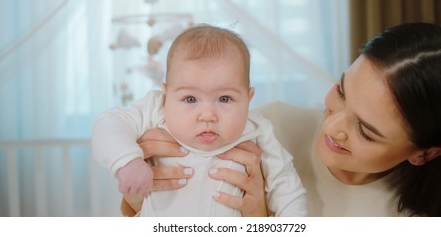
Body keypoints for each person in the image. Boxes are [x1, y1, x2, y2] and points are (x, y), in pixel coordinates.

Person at [129, 22, 441, 217]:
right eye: (341, 93)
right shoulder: (267, 125)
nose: (332, 127)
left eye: (366, 131)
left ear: (425, 153)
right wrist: (141, 184)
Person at [91, 24, 307, 216]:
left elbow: (287, 188)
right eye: (190, 98)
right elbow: (109, 124)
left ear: (248, 98)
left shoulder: (257, 129)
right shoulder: (156, 110)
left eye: (225, 98)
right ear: (166, 95)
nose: (207, 115)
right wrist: (128, 162)